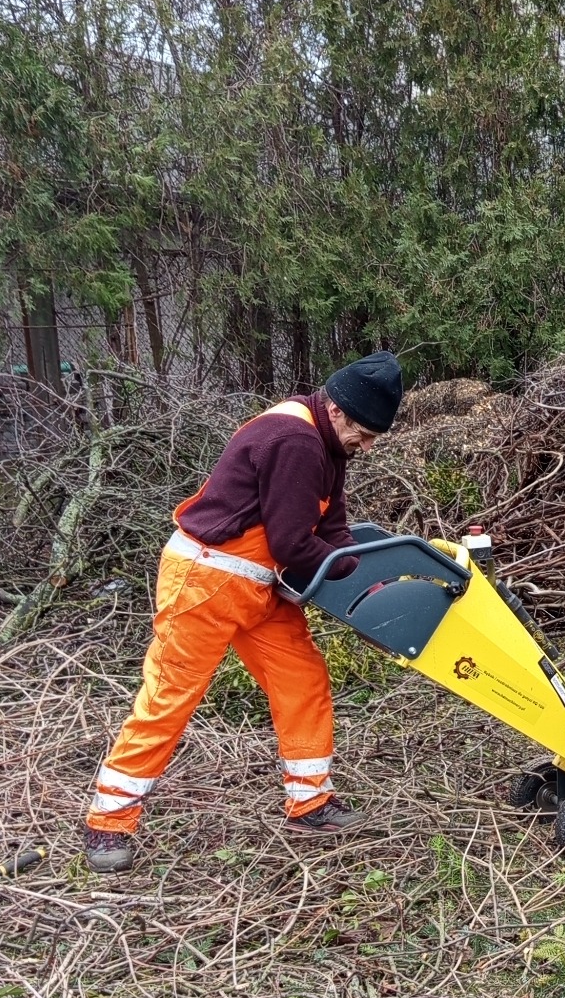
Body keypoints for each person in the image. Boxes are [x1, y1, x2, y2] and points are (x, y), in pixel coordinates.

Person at [83, 351, 404, 875]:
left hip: (259, 588)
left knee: (302, 679)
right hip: (206, 582)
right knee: (171, 696)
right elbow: (294, 543)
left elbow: (333, 528)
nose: (366, 447)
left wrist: (368, 571)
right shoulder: (294, 440)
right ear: (341, 410)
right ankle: (109, 821)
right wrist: (349, 571)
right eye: (365, 434)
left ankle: (310, 803)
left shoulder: (328, 443)